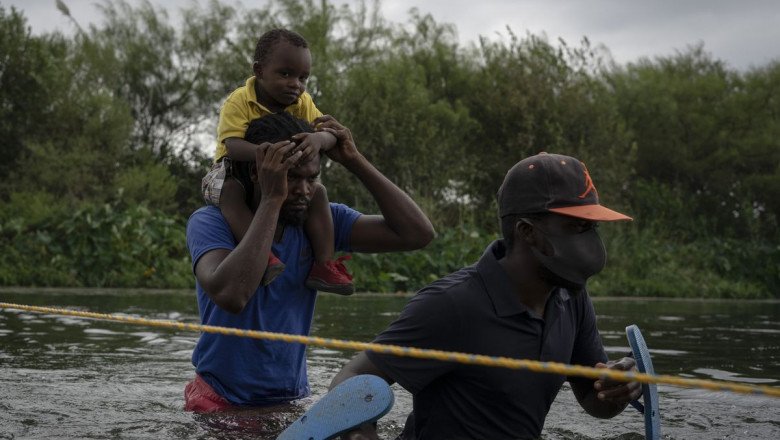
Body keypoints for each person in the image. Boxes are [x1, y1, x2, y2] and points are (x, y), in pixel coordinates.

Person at [329, 152, 642, 439]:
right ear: (527, 231)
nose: (590, 240)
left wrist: (619, 390)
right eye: (577, 226)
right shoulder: (454, 304)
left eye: (593, 226)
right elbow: (351, 377)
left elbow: (593, 400)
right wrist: (359, 434)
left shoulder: (571, 297)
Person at [184, 112, 434, 412]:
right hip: (221, 401)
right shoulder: (210, 222)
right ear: (258, 173)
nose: (304, 190)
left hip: (290, 400)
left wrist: (355, 160)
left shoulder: (317, 224)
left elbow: (417, 234)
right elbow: (232, 295)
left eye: (311, 178)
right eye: (292, 177)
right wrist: (272, 200)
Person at [202, 28, 353, 294]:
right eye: (285, 74)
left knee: (318, 192)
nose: (295, 84)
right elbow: (233, 146)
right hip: (231, 170)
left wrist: (319, 141)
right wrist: (272, 152)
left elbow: (331, 134)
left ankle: (325, 265)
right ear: (259, 71)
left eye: (303, 77)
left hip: (284, 167)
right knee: (231, 194)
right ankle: (263, 257)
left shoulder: (302, 101)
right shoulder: (239, 100)